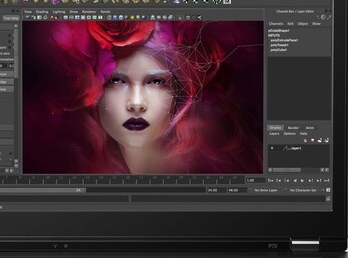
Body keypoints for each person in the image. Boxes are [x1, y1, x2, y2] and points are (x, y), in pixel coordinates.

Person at [22, 19, 263, 175]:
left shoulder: (220, 168)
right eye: (116, 81)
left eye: (155, 82)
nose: (136, 103)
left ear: (177, 93)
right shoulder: (74, 169)